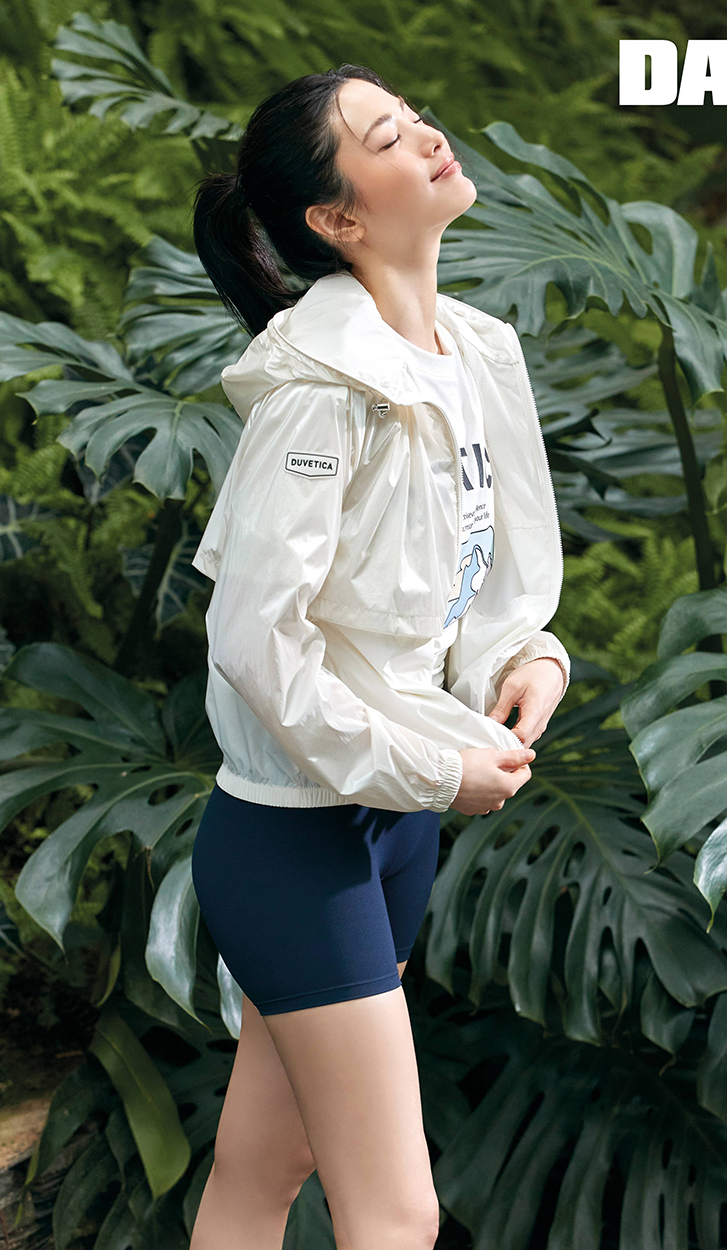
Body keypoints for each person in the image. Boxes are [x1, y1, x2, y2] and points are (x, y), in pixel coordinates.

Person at [187, 63, 570, 1250]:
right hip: (295, 837)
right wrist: (433, 771)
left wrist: (527, 660)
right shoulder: (319, 391)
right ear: (336, 218)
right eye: (387, 135)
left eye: (414, 116)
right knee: (396, 1215)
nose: (427, 135)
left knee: (268, 1162)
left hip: (391, 824)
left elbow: (484, 573)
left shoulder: (476, 354)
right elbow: (255, 640)